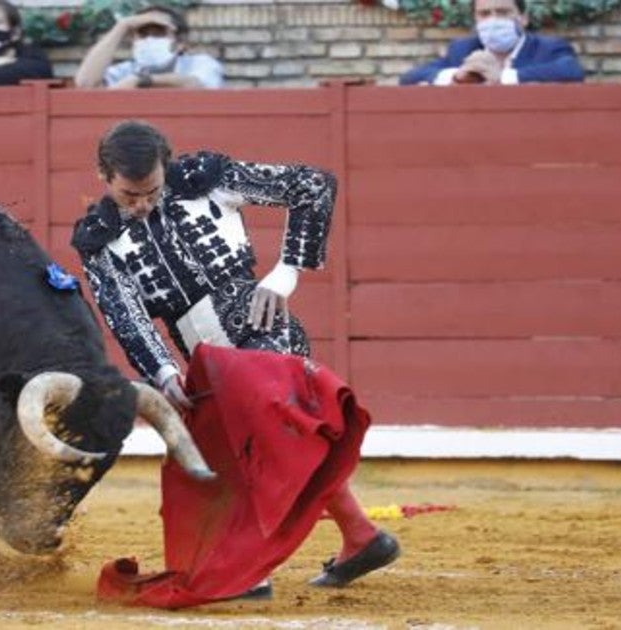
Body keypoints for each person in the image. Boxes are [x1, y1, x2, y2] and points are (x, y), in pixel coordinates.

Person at [71, 120, 400, 595]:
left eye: (151, 191)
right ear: (104, 177)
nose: (142, 205)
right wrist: (163, 373)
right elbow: (126, 316)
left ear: (167, 167)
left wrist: (286, 272)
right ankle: (360, 536)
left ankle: (255, 571)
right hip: (203, 360)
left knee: (263, 443)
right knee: (245, 455)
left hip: (260, 322)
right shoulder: (98, 237)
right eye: (129, 196)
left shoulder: (205, 176)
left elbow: (313, 185)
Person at [399, 0, 584, 86]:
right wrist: (458, 76)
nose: (493, 20)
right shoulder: (462, 49)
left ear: (523, 18)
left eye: (503, 12)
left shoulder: (548, 47)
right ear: (475, 19)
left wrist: (502, 77)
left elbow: (571, 71)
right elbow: (409, 78)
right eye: (485, 14)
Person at [73, 4, 222, 90]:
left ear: (180, 43)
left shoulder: (200, 63)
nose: (150, 39)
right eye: (143, 33)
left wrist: (141, 81)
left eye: (159, 33)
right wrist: (122, 26)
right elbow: (85, 83)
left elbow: (198, 85)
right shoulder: (125, 70)